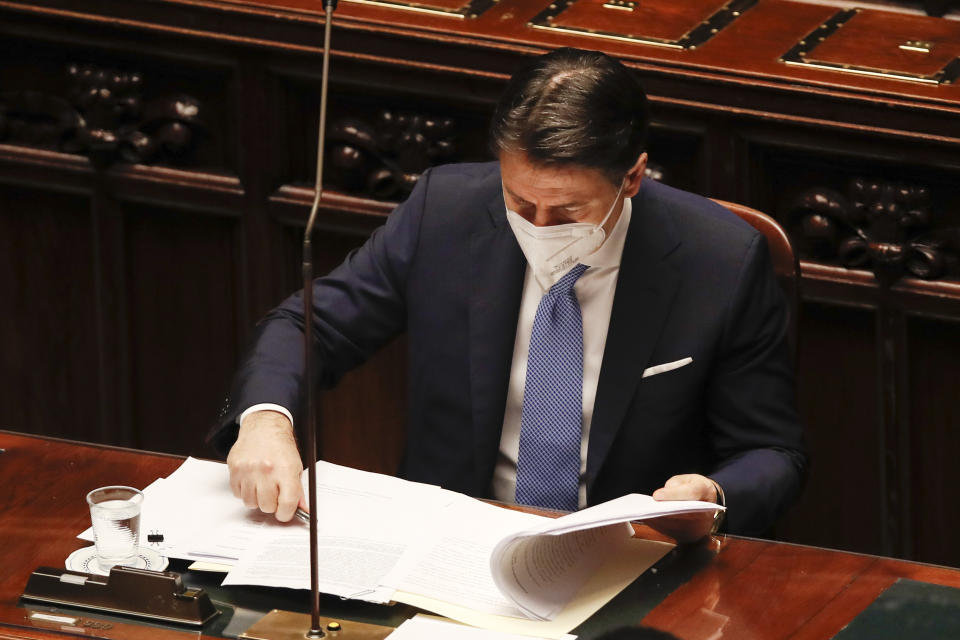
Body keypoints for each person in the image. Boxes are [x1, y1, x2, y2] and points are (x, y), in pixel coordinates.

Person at [208, 47, 807, 541]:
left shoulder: (721, 260)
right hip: (449, 545)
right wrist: (264, 421)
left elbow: (771, 450)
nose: (539, 228)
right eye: (521, 203)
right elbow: (313, 324)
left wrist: (713, 495)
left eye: (568, 210)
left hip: (627, 560)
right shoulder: (444, 211)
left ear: (632, 178)